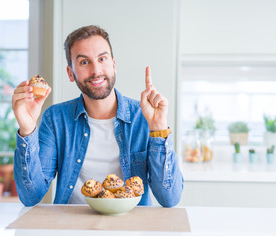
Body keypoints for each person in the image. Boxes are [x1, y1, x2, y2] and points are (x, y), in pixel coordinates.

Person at [12, 25, 183, 207]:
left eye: (102, 59)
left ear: (113, 65)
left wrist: (158, 129)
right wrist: (27, 129)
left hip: (130, 229)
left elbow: (170, 198)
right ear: (71, 73)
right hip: (71, 228)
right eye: (84, 62)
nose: (96, 71)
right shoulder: (55, 119)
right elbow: (31, 196)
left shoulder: (143, 117)